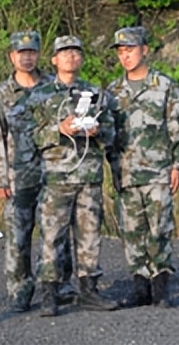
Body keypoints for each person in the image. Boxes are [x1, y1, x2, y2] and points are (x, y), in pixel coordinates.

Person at [0, 30, 74, 313]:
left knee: (56, 230)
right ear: (12, 56)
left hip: (52, 170)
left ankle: (60, 284)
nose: (26, 58)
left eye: (31, 52)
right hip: (19, 174)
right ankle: (20, 288)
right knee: (18, 235)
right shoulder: (2, 93)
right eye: (21, 53)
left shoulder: (53, 86)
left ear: (38, 54)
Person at [33, 35, 119, 316]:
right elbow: (29, 136)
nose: (71, 57)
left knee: (90, 235)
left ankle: (88, 289)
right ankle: (50, 292)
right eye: (64, 52)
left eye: (76, 52)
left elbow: (111, 132)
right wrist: (58, 129)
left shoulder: (96, 94)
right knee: (52, 236)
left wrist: (98, 131)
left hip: (88, 175)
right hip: (57, 177)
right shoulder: (41, 94)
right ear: (54, 59)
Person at [106, 26, 179, 308]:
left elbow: (178, 126)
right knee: (132, 231)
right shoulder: (112, 92)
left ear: (144, 50)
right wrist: (113, 166)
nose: (125, 56)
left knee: (159, 229)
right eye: (121, 51)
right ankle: (140, 287)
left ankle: (160, 287)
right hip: (127, 173)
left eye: (130, 49)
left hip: (158, 171)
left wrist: (178, 164)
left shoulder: (164, 86)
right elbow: (108, 134)